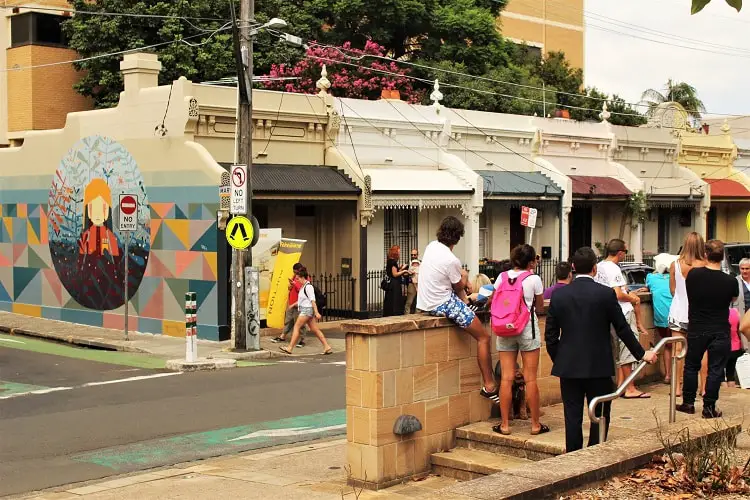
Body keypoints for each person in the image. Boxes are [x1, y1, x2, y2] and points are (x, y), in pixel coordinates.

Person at [545, 247, 657, 452]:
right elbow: (622, 328)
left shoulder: (559, 296)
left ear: (572, 268)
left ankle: (572, 455)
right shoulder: (605, 294)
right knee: (601, 412)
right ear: (594, 269)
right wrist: (642, 354)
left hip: (569, 365)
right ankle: (595, 452)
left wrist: (560, 359)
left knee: (572, 415)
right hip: (599, 364)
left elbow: (550, 336)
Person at [417, 216, 499, 403]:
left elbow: (457, 286)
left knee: (467, 298)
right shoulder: (451, 259)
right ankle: (489, 385)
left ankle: (469, 304)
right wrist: (465, 277)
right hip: (441, 303)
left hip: (425, 302)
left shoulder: (431, 247)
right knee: (484, 337)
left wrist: (463, 283)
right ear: (457, 238)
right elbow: (457, 286)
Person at [676, 240, 739, 419]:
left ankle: (688, 402)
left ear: (705, 255)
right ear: (723, 257)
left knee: (691, 366)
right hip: (720, 328)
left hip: (697, 326)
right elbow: (733, 299)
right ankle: (709, 406)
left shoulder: (694, 275)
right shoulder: (730, 280)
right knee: (716, 369)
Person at [492, 244, 548, 436]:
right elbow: (540, 307)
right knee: (530, 378)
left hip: (504, 328)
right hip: (526, 328)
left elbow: (494, 301)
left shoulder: (501, 277)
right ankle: (535, 425)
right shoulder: (534, 279)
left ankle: (505, 425)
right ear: (531, 262)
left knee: (506, 378)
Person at [594, 239, 650, 399]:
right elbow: (617, 293)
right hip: (622, 312)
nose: (626, 254)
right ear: (620, 253)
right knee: (627, 350)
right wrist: (632, 298)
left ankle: (621, 385)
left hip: (606, 314)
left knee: (617, 351)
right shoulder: (613, 269)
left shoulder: (600, 266)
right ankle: (630, 387)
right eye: (625, 251)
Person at [669, 232, 708, 397]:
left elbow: (672, 290)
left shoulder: (675, 264)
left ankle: (677, 387)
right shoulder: (705, 265)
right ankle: (704, 387)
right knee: (703, 350)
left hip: (678, 310)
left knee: (677, 349)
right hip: (699, 313)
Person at [280, 267, 333, 356]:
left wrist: (316, 312)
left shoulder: (308, 287)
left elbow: (313, 300)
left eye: (298, 279)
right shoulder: (304, 287)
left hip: (306, 310)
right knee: (314, 329)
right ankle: (327, 347)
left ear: (302, 277)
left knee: (296, 327)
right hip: (307, 310)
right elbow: (303, 300)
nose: (297, 280)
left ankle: (290, 348)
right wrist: (292, 305)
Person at [647, 253, 677, 384]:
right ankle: (678, 377)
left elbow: (649, 286)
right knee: (678, 347)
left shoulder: (651, 278)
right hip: (675, 316)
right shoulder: (674, 277)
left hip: (660, 318)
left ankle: (668, 375)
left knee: (667, 346)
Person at [271, 263, 307, 346]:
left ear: (299, 270)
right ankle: (282, 336)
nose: (294, 274)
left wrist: (294, 283)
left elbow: (303, 289)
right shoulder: (295, 276)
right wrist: (290, 285)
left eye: (295, 272)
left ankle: (302, 339)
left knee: (300, 322)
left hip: (299, 303)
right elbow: (291, 287)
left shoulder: (305, 277)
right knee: (288, 320)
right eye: (293, 272)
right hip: (292, 302)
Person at [383, 245, 409, 317]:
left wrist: (400, 268)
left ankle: (389, 313)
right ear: (395, 253)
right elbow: (395, 274)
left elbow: (393, 272)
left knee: (390, 300)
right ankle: (395, 313)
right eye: (398, 251)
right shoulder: (393, 262)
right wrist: (404, 271)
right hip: (394, 285)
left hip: (391, 284)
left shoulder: (389, 261)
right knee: (395, 300)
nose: (399, 253)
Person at [731, 258, 750, 352]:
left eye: (747, 268)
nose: (744, 271)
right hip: (741, 313)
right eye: (742, 269)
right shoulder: (735, 281)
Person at [726, 307, 743, 388]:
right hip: (735, 346)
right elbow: (739, 330)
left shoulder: (718, 313)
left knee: (720, 374)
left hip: (722, 346)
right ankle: (731, 388)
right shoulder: (735, 311)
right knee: (730, 373)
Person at [404, 249, 421, 315]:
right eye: (412, 255)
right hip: (411, 284)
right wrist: (408, 273)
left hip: (420, 284)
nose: (413, 256)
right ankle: (406, 317)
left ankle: (417, 316)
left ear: (417, 255)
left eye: (414, 254)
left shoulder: (421, 262)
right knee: (409, 302)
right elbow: (404, 274)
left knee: (419, 302)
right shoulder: (408, 263)